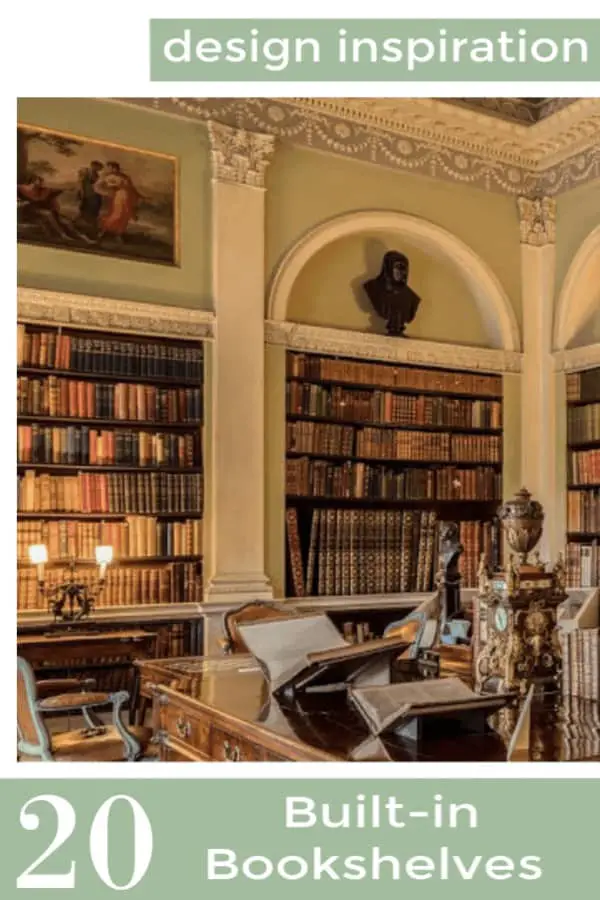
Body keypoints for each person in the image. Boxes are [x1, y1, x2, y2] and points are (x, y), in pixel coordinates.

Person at [93, 161, 141, 243]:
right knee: (116, 215)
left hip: (127, 198)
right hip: (117, 197)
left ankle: (119, 234)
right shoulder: (106, 177)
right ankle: (103, 231)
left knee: (125, 216)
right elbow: (97, 187)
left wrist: (138, 195)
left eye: (113, 167)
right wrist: (107, 192)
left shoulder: (125, 177)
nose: (112, 169)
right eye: (110, 168)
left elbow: (131, 188)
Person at [76, 160, 104, 231]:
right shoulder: (86, 172)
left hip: (94, 194)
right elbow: (81, 183)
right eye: (98, 167)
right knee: (85, 209)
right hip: (87, 194)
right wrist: (81, 193)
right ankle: (78, 224)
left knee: (94, 209)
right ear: (93, 166)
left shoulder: (96, 174)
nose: (99, 169)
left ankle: (91, 225)